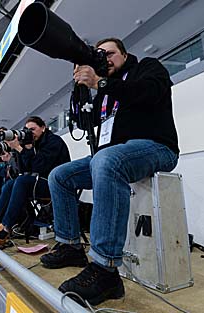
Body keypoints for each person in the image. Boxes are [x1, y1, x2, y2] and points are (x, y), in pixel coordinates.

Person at [39, 38, 180, 305]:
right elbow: (86, 123)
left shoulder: (148, 67)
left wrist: (100, 83)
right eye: (99, 55)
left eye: (110, 53)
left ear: (125, 55)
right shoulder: (105, 92)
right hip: (111, 156)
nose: (105, 58)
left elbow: (148, 93)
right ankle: (70, 246)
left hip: (156, 147)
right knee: (60, 176)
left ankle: (105, 269)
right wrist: (80, 92)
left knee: (106, 160)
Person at [0, 116, 71, 248]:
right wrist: (21, 149)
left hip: (57, 184)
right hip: (41, 182)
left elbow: (40, 167)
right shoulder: (33, 143)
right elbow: (23, 170)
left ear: (43, 128)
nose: (30, 132)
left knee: (22, 181)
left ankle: (4, 231)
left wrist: (21, 149)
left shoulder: (53, 141)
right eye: (27, 130)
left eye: (33, 129)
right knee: (10, 184)